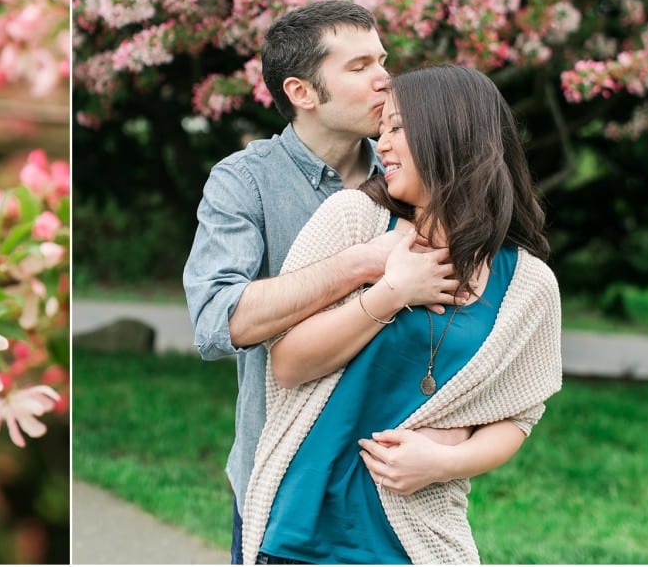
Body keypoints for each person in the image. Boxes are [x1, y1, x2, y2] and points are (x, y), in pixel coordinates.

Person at [240, 64, 563, 564]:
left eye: (396, 128)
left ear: (448, 134)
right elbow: (288, 364)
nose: (381, 143)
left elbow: (518, 417)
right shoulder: (353, 220)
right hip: (300, 530)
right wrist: (391, 292)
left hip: (421, 539)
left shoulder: (528, 285)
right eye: (381, 127)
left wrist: (444, 463)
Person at [184, 0, 461, 563]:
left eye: (382, 60)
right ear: (302, 93)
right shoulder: (246, 182)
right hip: (284, 484)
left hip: (398, 484)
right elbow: (217, 321)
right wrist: (364, 262)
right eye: (359, 67)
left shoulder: (418, 175)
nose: (386, 78)